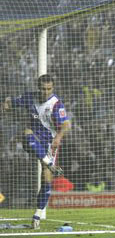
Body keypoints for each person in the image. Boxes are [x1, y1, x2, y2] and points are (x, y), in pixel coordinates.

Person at [0, 74, 71, 229]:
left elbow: (66, 124)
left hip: (50, 142)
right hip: (33, 137)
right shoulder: (29, 97)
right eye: (43, 89)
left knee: (46, 179)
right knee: (27, 132)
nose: (46, 92)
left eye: (49, 89)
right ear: (38, 87)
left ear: (52, 88)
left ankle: (37, 216)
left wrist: (58, 137)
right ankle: (49, 162)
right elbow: (11, 101)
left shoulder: (56, 104)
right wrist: (5, 103)